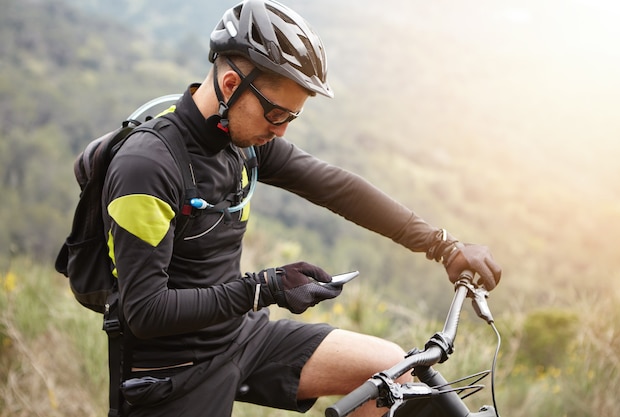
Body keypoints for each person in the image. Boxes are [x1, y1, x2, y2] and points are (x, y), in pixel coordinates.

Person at [102, 0, 502, 416]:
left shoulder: (242, 143)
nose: (280, 131)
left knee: (390, 375)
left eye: (291, 117)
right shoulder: (146, 167)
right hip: (172, 371)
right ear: (229, 85)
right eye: (275, 113)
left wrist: (444, 246)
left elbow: (338, 188)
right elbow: (146, 312)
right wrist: (264, 288)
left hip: (241, 336)